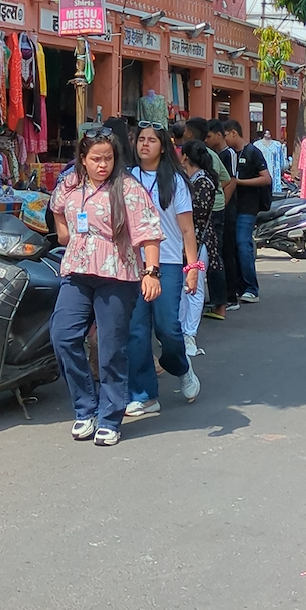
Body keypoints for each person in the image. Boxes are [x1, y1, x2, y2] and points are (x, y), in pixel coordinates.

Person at [49, 127, 163, 447]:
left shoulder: (128, 188)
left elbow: (149, 233)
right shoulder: (70, 184)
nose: (103, 165)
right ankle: (86, 409)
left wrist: (151, 273)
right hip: (77, 271)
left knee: (111, 349)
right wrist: (65, 235)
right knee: (63, 336)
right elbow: (57, 209)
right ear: (83, 160)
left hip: (117, 274)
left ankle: (111, 416)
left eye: (108, 158)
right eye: (96, 159)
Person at [126, 123, 201, 416]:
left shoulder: (176, 182)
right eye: (141, 140)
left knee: (168, 329)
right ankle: (144, 395)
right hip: (133, 263)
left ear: (163, 146)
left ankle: (181, 367)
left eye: (152, 140)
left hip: (168, 263)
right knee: (136, 330)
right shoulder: (127, 178)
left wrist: (192, 266)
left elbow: (186, 229)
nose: (145, 144)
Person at [184, 117, 233, 317]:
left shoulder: (202, 176)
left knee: (212, 259)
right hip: (211, 214)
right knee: (212, 259)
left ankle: (219, 304)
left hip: (207, 219)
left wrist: (217, 198)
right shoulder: (205, 163)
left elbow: (228, 180)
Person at [179, 140, 223, 355]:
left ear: (186, 156)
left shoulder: (203, 182)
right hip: (187, 241)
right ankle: (181, 332)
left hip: (198, 241)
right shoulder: (189, 180)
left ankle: (189, 334)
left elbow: (197, 214)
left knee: (193, 289)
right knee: (183, 287)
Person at [222, 119, 271, 303]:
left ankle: (251, 288)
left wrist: (239, 182)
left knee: (243, 244)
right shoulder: (228, 154)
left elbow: (266, 178)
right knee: (233, 246)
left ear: (233, 133)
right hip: (232, 207)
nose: (224, 138)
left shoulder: (252, 152)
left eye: (225, 134)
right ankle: (238, 286)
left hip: (248, 207)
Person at [205, 119, 243, 308]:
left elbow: (231, 182)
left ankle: (231, 296)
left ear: (219, 135)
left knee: (227, 251)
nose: (206, 140)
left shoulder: (229, 155)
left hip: (227, 210)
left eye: (209, 136)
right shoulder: (217, 155)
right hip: (221, 208)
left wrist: (222, 206)